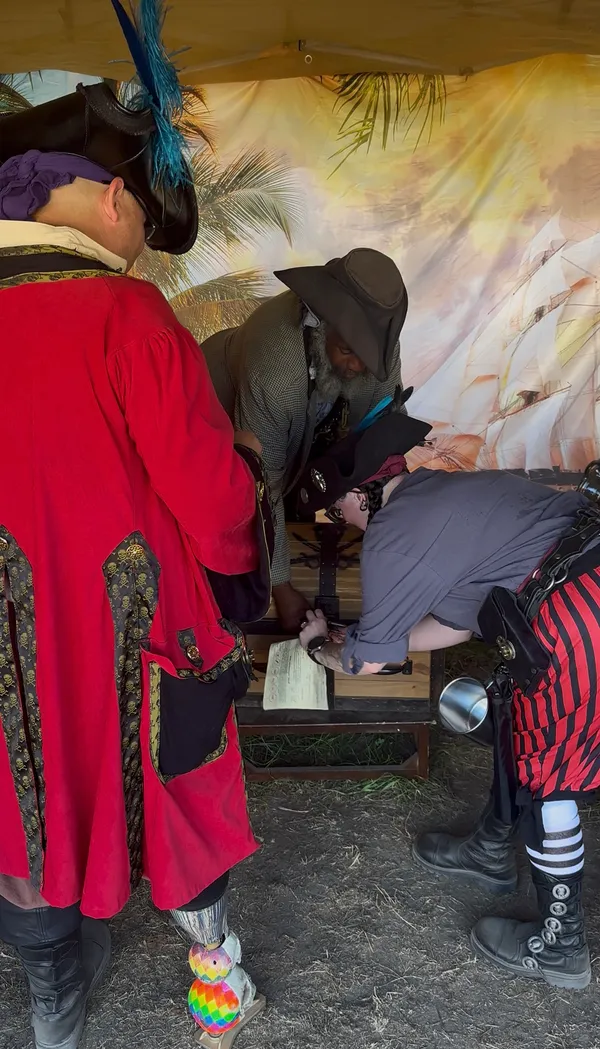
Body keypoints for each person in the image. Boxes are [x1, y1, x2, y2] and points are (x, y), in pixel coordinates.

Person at [0, 28, 272, 1049]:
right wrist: (246, 565)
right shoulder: (123, 313)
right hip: (137, 630)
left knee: (15, 793)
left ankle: (52, 1000)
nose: (140, 245)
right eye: (143, 225)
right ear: (113, 200)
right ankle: (216, 987)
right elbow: (213, 503)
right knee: (181, 785)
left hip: (9, 641)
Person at [297, 407, 600, 991]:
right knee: (519, 725)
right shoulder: (449, 491)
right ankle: (491, 849)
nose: (346, 523)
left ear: (362, 494)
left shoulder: (392, 537)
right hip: (576, 582)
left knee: (552, 778)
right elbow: (454, 626)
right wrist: (365, 638)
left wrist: (320, 648)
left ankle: (563, 944)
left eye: (340, 511)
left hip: (579, 615)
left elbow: (374, 663)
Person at [202, 248, 410, 630]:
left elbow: (384, 435)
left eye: (366, 356)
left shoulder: (375, 347)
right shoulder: (275, 364)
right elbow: (263, 484)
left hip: (302, 420)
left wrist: (395, 534)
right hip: (220, 414)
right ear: (319, 323)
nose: (357, 367)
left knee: (298, 502)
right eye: (348, 350)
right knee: (229, 529)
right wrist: (280, 587)